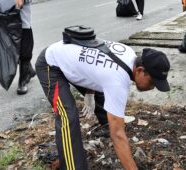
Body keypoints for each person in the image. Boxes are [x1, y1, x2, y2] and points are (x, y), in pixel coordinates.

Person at [35, 26, 171, 169]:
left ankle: (107, 124)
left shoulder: (129, 55)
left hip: (72, 61)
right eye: (152, 82)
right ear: (140, 70)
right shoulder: (117, 81)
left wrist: (90, 91)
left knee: (107, 95)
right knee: (68, 116)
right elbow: (118, 135)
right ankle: (71, 166)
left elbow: (95, 65)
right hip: (51, 64)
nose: (153, 87)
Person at [14, 0, 36, 95]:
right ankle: (30, 71)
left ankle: (22, 82)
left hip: (24, 26)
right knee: (14, 53)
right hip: (7, 27)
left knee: (25, 54)